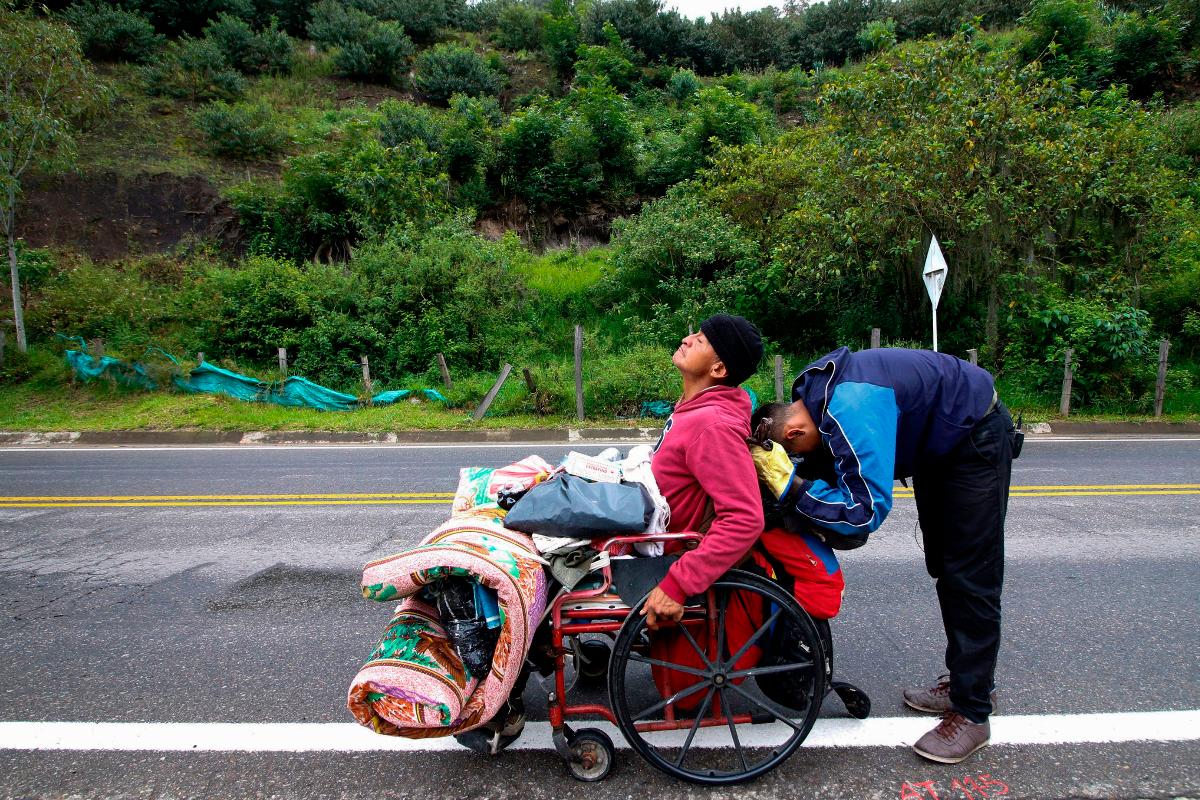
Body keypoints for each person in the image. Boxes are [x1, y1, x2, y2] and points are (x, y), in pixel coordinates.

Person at [749, 346, 1019, 764]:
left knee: (969, 576)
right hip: (940, 441)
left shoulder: (848, 409)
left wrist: (794, 488)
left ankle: (973, 712)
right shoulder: (814, 393)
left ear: (792, 435)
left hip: (973, 437)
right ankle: (969, 680)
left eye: (797, 454)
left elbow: (864, 512)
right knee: (946, 567)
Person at [640, 314, 765, 629]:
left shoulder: (712, 425)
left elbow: (745, 518)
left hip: (660, 551)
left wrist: (678, 584)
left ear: (718, 369)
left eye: (701, 339)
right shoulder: (693, 409)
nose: (687, 339)